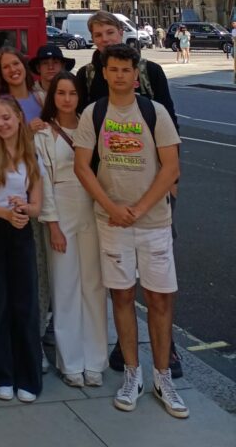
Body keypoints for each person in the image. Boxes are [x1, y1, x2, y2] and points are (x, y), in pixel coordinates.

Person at [73, 44, 188, 419]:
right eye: (114, 69)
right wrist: (112, 208)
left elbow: (170, 167)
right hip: (112, 222)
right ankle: (132, 374)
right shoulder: (94, 113)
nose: (120, 75)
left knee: (159, 300)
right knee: (121, 298)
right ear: (105, 73)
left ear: (135, 75)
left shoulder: (154, 113)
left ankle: (163, 377)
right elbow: (82, 167)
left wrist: (138, 209)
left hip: (152, 222)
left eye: (126, 69)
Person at [35, 72, 107, 388]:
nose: (67, 99)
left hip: (92, 208)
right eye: (61, 93)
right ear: (53, 96)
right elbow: (43, 181)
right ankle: (71, 361)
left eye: (72, 93)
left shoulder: (90, 127)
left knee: (94, 286)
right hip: (61, 209)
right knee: (64, 287)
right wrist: (52, 225)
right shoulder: (44, 133)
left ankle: (95, 360)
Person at [0, 95, 43, 403]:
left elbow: (37, 205)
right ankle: (0, 373)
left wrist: (24, 208)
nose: (1, 124)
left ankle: (28, 375)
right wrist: (6, 213)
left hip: (21, 231)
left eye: (6, 118)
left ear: (18, 118)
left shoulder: (32, 154)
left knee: (25, 304)